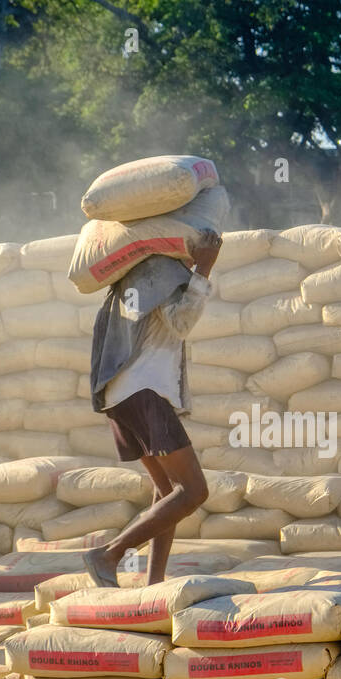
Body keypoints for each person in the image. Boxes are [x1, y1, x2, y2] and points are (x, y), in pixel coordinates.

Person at [82, 233, 221, 588]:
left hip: (122, 394)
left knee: (167, 491)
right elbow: (181, 323)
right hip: (143, 391)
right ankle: (109, 554)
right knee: (193, 491)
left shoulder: (134, 274)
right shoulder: (158, 268)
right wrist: (204, 266)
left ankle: (154, 580)